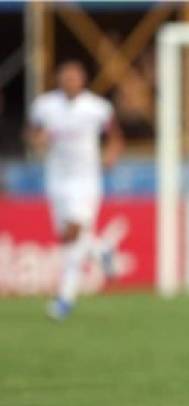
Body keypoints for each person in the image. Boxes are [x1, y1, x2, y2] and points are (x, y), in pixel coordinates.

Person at [27, 61, 124, 320]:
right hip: (57, 179)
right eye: (65, 78)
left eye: (74, 78)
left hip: (86, 180)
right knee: (68, 237)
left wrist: (111, 155)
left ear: (83, 80)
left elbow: (115, 136)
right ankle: (101, 248)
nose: (70, 82)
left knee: (73, 233)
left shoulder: (98, 108)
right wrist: (39, 140)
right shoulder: (44, 106)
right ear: (58, 80)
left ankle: (65, 299)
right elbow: (32, 135)